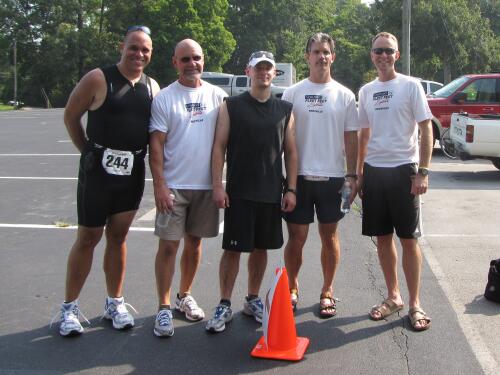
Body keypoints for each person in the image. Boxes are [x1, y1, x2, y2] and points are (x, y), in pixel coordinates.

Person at [55, 25, 160, 336]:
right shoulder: (99, 78)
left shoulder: (152, 87)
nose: (139, 54)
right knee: (88, 238)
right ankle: (69, 308)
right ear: (122, 46)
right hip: (97, 173)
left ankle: (114, 302)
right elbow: (71, 116)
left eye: (145, 50)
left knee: (118, 237)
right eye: (134, 47)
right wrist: (88, 151)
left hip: (131, 172)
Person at [206, 50, 298, 333]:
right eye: (259, 68)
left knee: (260, 250)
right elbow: (219, 147)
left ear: (274, 73)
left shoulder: (285, 110)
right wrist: (218, 185)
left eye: (268, 68)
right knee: (233, 251)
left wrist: (291, 189)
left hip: (270, 193)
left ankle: (252, 299)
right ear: (249, 71)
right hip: (239, 193)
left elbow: (291, 152)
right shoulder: (231, 105)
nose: (264, 72)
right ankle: (223, 303)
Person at [149, 39, 227, 337]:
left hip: (206, 187)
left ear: (203, 60)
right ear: (175, 63)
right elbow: (156, 146)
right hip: (175, 187)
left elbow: (225, 143)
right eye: (185, 59)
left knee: (194, 245)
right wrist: (160, 186)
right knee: (169, 246)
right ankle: (164, 307)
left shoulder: (217, 96)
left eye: (196, 58)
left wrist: (220, 184)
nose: (192, 63)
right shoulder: (165, 98)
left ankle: (184, 295)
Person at [357, 32, 433, 331]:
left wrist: (423, 171)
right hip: (374, 172)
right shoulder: (365, 91)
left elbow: (426, 129)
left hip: (405, 171)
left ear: (397, 55)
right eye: (378, 51)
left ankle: (415, 303)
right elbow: (363, 135)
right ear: (372, 54)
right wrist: (360, 174)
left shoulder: (411, 86)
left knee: (408, 239)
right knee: (383, 238)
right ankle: (394, 297)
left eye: (389, 51)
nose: (383, 56)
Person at [282, 32, 359, 318]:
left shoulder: (344, 95)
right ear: (307, 57)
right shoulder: (292, 93)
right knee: (297, 238)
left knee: (330, 238)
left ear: (332, 56)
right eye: (316, 51)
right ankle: (292, 287)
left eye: (326, 52)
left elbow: (351, 139)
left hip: (333, 178)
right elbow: (284, 139)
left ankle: (327, 290)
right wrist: (286, 182)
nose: (321, 56)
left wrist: (352, 176)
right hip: (298, 178)